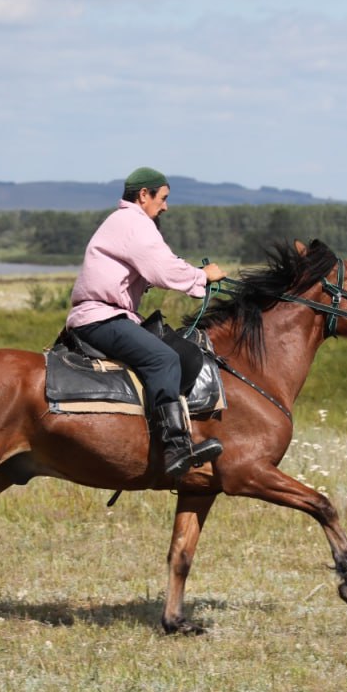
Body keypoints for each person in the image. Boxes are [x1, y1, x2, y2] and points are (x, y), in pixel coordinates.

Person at [66, 167, 227, 478]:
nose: (165, 206)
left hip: (108, 315)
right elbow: (162, 268)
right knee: (163, 359)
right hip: (101, 318)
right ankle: (173, 447)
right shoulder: (134, 223)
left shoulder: (127, 222)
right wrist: (201, 277)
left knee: (181, 352)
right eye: (162, 198)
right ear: (144, 195)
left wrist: (193, 277)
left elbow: (160, 263)